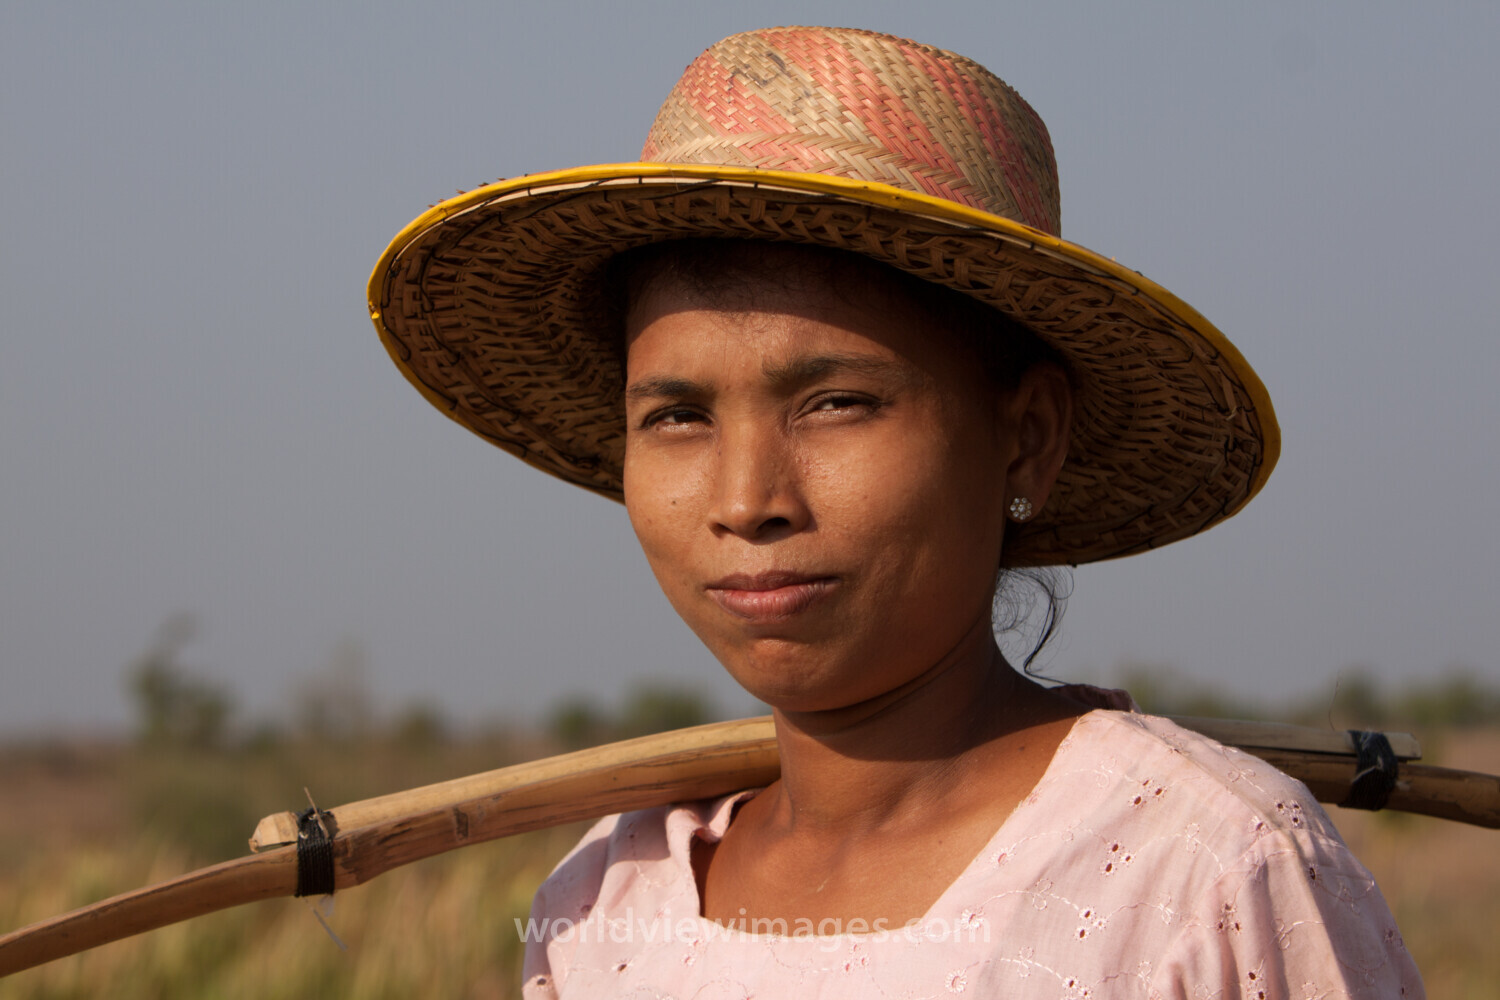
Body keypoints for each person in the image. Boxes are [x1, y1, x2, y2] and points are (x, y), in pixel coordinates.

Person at [368, 26, 1423, 999]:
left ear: (1027, 437)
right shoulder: (600, 908)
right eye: (679, 415)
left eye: (837, 404)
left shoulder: (1208, 876)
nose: (747, 502)